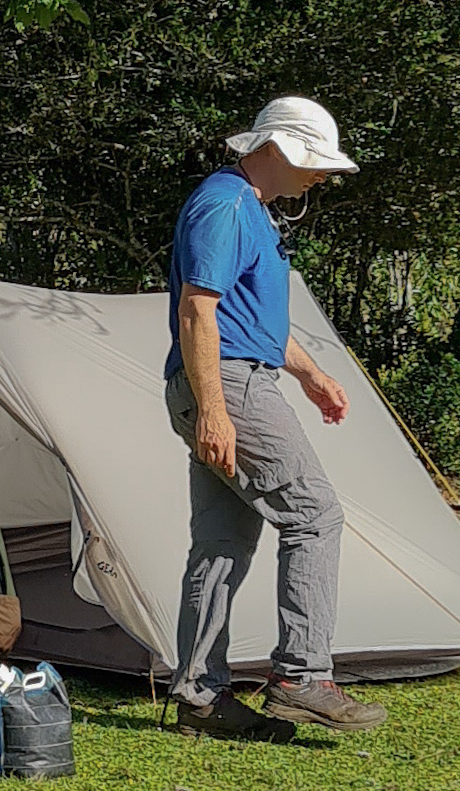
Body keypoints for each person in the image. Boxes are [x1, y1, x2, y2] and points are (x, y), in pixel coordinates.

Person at [163, 95, 389, 740]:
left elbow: (244, 317)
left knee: (221, 544)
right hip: (228, 385)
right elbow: (197, 310)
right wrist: (215, 411)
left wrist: (311, 374)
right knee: (314, 516)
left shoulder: (246, 208)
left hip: (221, 379)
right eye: (316, 163)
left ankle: (201, 701)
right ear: (280, 150)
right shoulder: (227, 205)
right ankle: (302, 676)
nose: (322, 176)